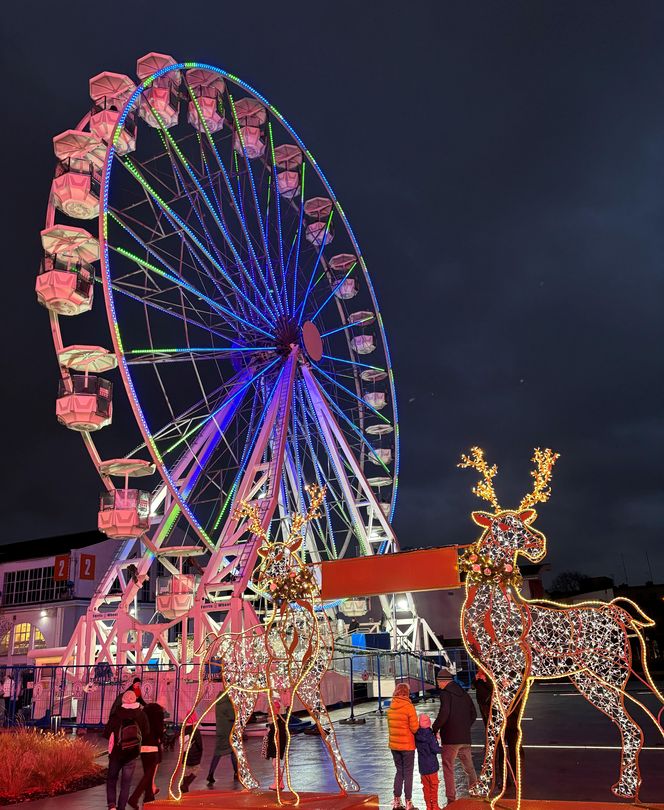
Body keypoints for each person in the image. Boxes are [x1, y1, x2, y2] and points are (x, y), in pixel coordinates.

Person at [432, 669, 478, 805]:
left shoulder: (445, 694)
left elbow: (444, 713)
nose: (438, 685)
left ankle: (451, 800)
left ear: (442, 681)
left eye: (438, 682)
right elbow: (473, 714)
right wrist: (464, 727)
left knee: (448, 767)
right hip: (464, 738)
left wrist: (435, 728)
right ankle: (474, 791)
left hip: (450, 738)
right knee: (469, 768)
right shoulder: (464, 693)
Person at [104, 689, 150, 810]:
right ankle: (121, 807)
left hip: (116, 753)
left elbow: (107, 732)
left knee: (112, 779)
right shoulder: (141, 714)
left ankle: (112, 805)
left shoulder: (117, 713)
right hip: (132, 754)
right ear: (135, 699)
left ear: (123, 700)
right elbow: (146, 733)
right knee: (126, 783)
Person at [386, 682, 419, 810]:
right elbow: (414, 728)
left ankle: (396, 801)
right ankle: (408, 803)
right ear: (407, 693)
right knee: (408, 773)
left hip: (394, 746)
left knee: (399, 772)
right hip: (407, 746)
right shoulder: (408, 707)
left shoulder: (391, 706)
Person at [128, 701, 165, 808]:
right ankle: (134, 798)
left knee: (147, 774)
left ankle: (148, 798)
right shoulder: (158, 714)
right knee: (148, 776)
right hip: (153, 747)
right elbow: (159, 732)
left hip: (143, 748)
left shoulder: (142, 715)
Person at [207, 692, 238, 785]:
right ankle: (236, 772)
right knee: (232, 752)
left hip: (221, 730)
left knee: (218, 753)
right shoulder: (227, 704)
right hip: (228, 731)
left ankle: (211, 774)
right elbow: (233, 716)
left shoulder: (219, 702)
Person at [415, 714, 441, 810]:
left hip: (423, 768)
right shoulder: (430, 736)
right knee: (434, 787)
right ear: (429, 723)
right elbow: (435, 750)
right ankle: (435, 806)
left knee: (425, 788)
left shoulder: (417, 735)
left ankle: (428, 807)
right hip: (432, 766)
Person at [264, 700, 288, 790]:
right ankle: (280, 783)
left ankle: (278, 782)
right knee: (275, 764)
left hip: (276, 746)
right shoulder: (276, 723)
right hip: (276, 746)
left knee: (275, 764)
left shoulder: (277, 723)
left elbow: (279, 737)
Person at [181, 712, 204, 793]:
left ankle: (185, 790)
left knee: (186, 772)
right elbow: (199, 744)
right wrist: (200, 752)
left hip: (184, 754)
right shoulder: (195, 731)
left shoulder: (183, 729)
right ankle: (185, 785)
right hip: (194, 754)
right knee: (196, 770)